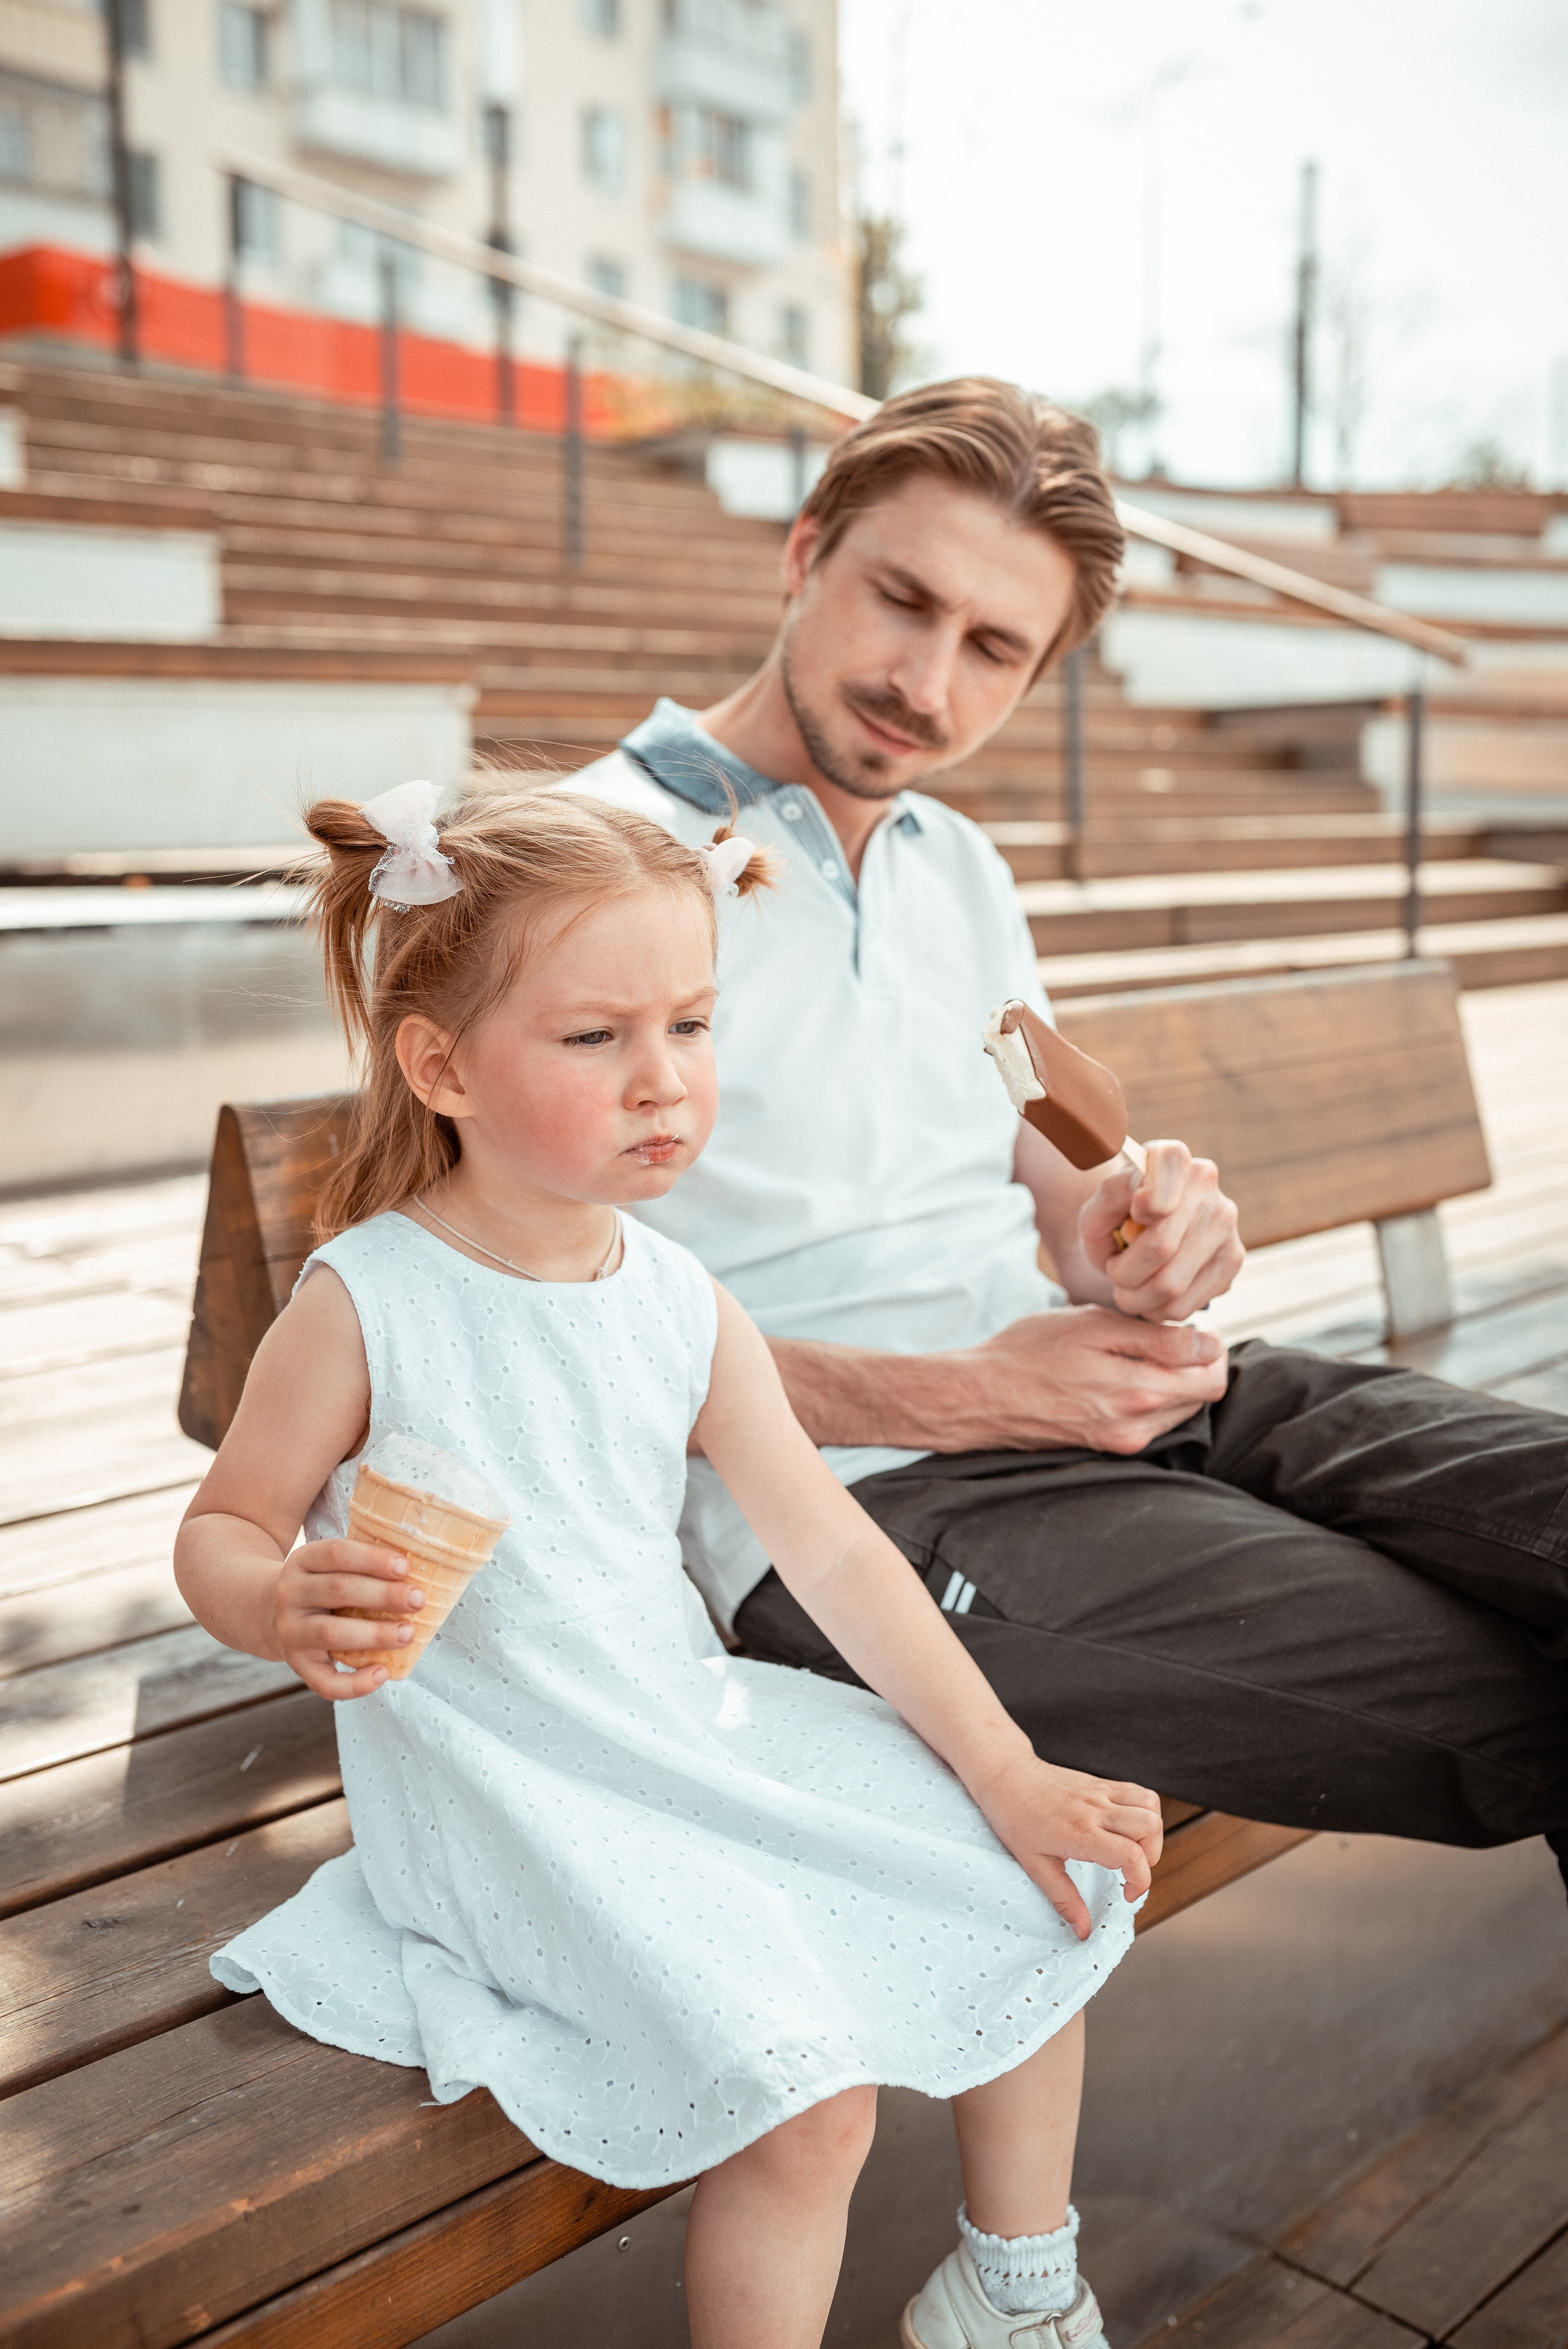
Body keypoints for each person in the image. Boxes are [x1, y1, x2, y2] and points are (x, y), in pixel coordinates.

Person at [176, 781, 1167, 2349]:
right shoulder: (372, 1300)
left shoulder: (681, 1299)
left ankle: (1014, 2287)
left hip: (674, 1716)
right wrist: (277, 1596)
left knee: (1033, 1889)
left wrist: (1000, 1768)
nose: (665, 1084)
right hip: (501, 1778)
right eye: (596, 1039)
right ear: (440, 1065)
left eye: (693, 1027)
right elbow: (225, 1531)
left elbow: (830, 1545)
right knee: (809, 2101)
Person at [573, 376, 1568, 1892]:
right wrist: (965, 1394)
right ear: (803, 553)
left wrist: (1142, 1224)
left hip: (1106, 1400)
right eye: (899, 599)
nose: (924, 680)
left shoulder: (954, 865)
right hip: (850, 1516)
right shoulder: (581, 862)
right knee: (1525, 1710)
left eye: (991, 650)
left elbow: (1058, 1171)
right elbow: (524, 1330)